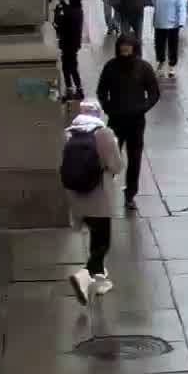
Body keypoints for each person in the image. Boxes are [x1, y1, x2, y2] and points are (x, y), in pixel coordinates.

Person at [61, 100, 123, 303]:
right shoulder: (103, 134)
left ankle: (100, 280)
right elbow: (116, 166)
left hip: (77, 198)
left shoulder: (69, 133)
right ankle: (84, 276)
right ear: (97, 114)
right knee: (102, 243)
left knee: (96, 240)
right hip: (99, 198)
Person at [95, 34, 160, 211]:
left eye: (128, 45)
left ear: (134, 47)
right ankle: (105, 190)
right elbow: (101, 91)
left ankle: (130, 194)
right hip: (116, 119)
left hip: (136, 121)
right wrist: (108, 108)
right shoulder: (111, 67)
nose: (125, 48)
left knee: (134, 158)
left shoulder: (144, 68)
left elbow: (154, 93)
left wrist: (143, 108)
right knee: (109, 157)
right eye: (122, 45)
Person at [150, 0, 188, 79]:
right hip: (159, 22)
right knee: (159, 44)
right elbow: (154, 2)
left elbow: (181, 7)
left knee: (172, 45)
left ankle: (172, 65)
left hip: (173, 24)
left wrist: (181, 21)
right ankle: (161, 61)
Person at [54, 0, 86, 100]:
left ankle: (70, 90)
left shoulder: (70, 13)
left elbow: (59, 21)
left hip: (67, 44)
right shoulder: (78, 11)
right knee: (73, 67)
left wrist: (57, 10)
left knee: (67, 68)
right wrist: (63, 4)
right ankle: (78, 89)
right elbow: (69, 10)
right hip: (74, 44)